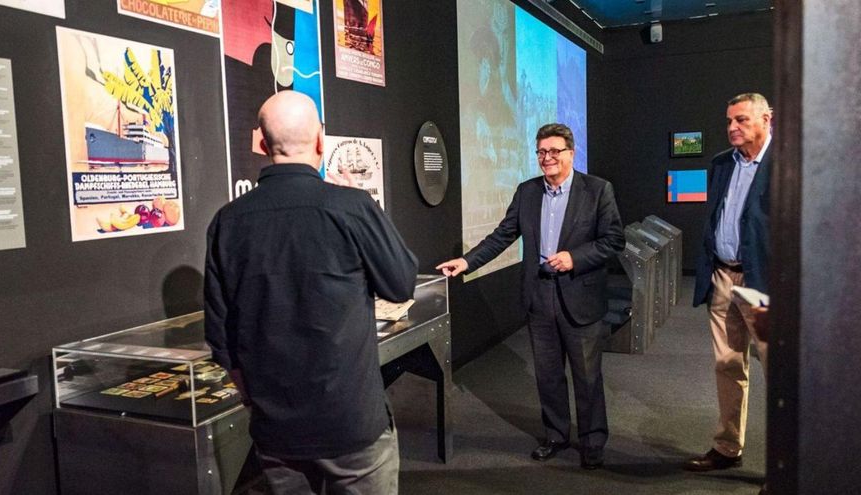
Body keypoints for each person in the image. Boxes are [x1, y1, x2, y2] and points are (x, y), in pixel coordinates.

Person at [204, 91, 418, 494]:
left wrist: (254, 400)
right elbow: (400, 282)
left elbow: (221, 336)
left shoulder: (227, 221)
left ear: (263, 145)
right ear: (321, 141)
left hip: (276, 429)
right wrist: (366, 206)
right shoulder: (351, 207)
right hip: (352, 425)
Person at [436, 123, 625, 469]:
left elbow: (614, 241)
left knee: (587, 376)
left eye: (554, 151)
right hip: (539, 296)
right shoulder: (527, 192)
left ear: (571, 152)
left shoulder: (597, 190)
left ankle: (592, 441)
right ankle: (555, 435)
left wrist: (575, 258)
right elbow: (502, 236)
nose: (547, 158)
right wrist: (467, 261)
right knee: (548, 375)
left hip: (580, 297)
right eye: (541, 152)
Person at [686, 93, 772, 475]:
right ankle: (727, 446)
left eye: (741, 120)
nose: (732, 128)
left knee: (780, 373)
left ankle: (786, 464)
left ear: (767, 119)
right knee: (727, 365)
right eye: (729, 121)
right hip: (722, 277)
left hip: (765, 283)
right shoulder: (722, 163)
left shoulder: (789, 163)